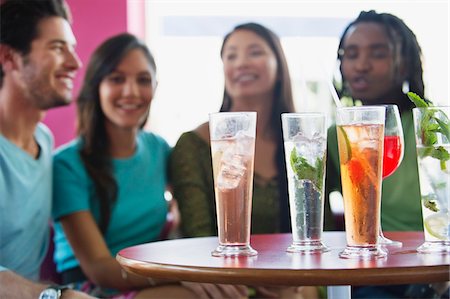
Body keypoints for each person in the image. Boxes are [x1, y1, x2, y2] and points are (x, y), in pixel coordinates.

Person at [52, 32, 248, 299]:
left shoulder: (158, 149)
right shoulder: (67, 164)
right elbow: (99, 268)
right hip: (90, 289)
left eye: (143, 80)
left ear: (155, 87)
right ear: (96, 87)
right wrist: (184, 274)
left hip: (152, 278)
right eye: (116, 79)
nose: (131, 91)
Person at [170, 22, 319, 299]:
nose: (241, 63)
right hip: (227, 287)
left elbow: (324, 241)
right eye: (231, 55)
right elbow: (198, 240)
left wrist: (303, 289)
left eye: (255, 52)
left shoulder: (306, 145)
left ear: (279, 67)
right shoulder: (193, 146)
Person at [325, 10, 449, 298]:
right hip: (373, 276)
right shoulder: (337, 136)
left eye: (378, 54)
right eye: (351, 54)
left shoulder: (434, 126)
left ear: (404, 63)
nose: (361, 65)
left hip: (433, 271)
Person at [0, 1, 94, 298]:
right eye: (57, 48)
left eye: (72, 47)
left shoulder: (44, 139)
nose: (75, 63)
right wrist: (55, 296)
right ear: (9, 57)